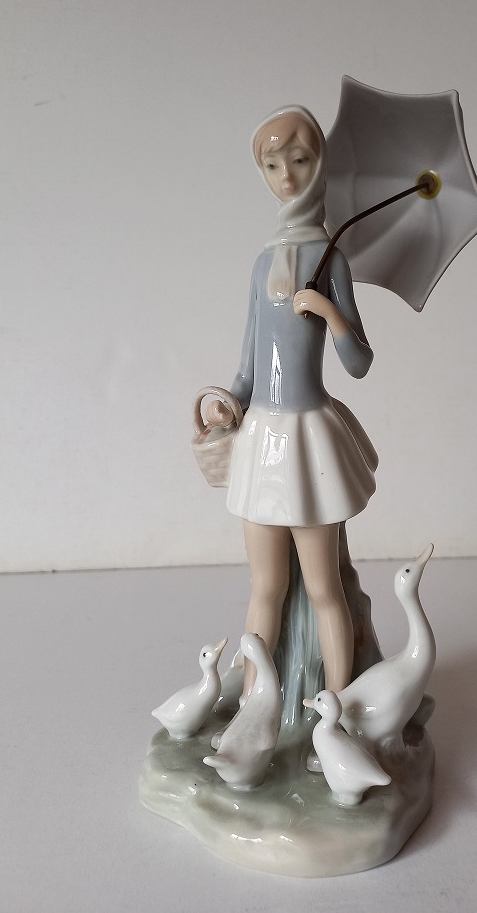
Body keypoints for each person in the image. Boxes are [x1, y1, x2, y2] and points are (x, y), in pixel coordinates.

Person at [206, 106, 377, 698]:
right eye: (273, 165)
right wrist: (228, 401)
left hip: (308, 439)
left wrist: (329, 311)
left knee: (325, 587)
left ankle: (338, 703)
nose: (287, 177)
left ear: (318, 165)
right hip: (264, 439)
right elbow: (249, 363)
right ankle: (256, 702)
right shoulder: (262, 264)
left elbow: (359, 362)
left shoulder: (333, 259)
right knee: (266, 587)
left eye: (299, 161)